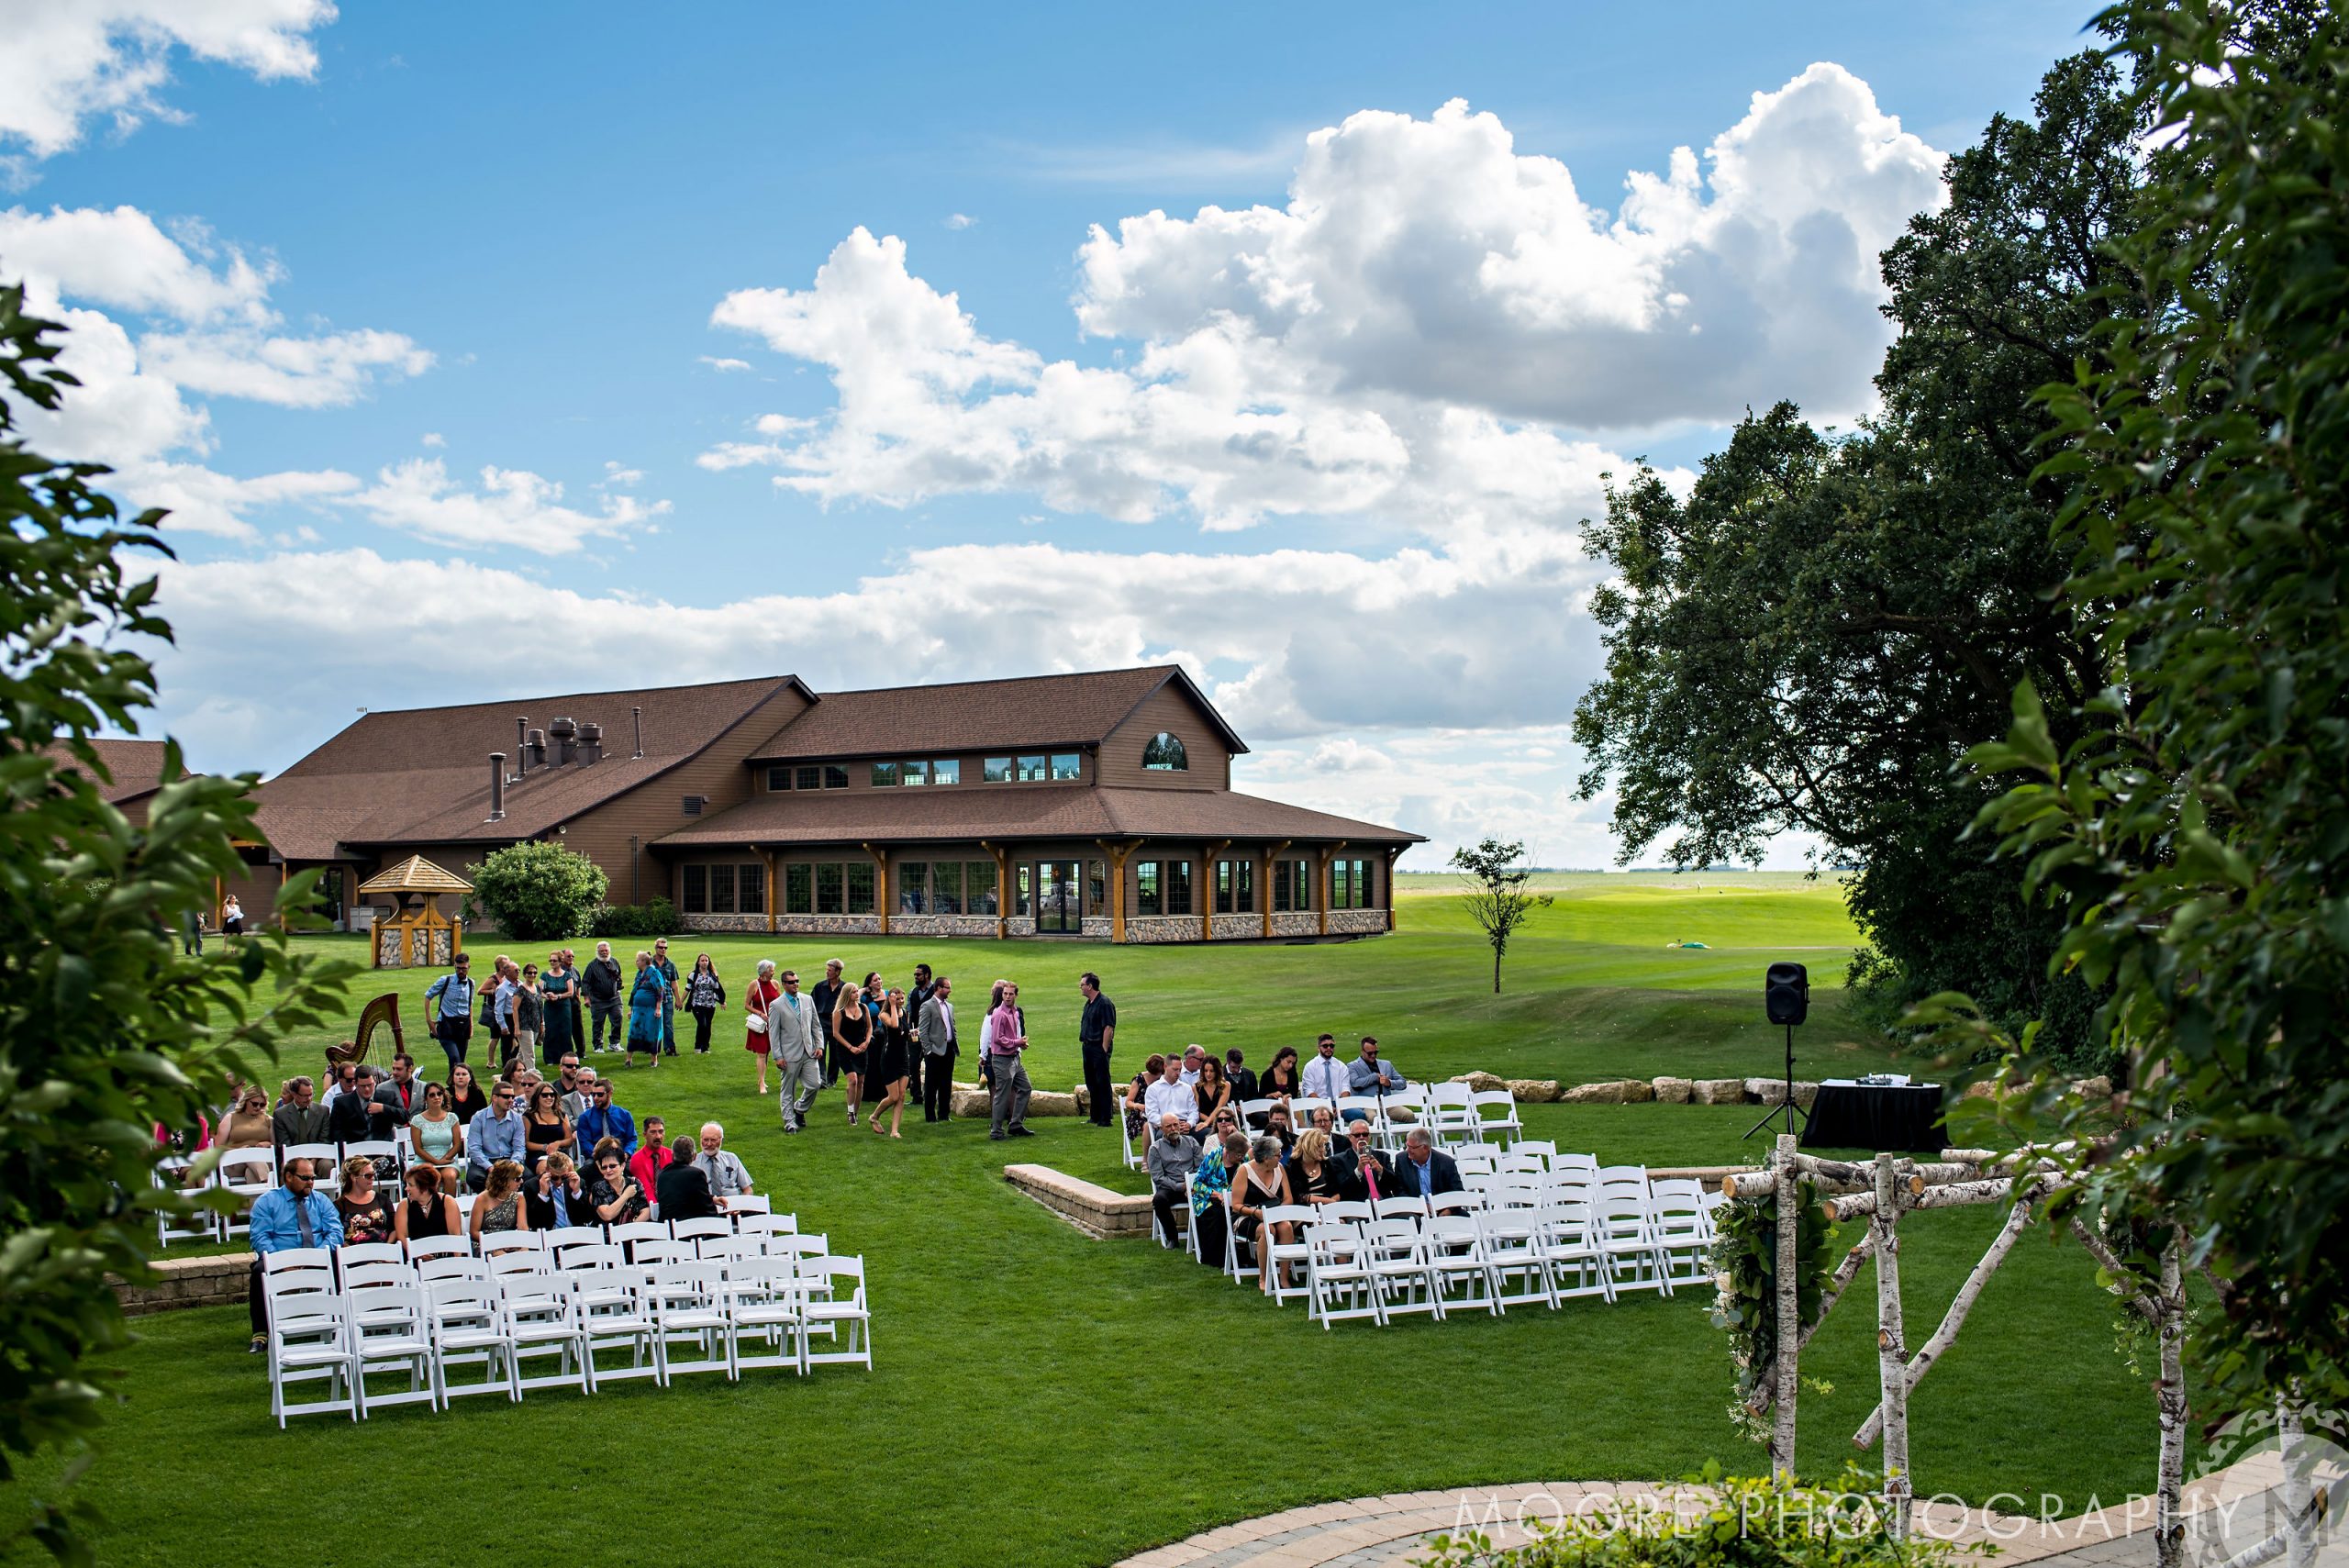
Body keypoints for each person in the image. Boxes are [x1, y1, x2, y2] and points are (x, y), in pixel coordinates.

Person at [246, 1157, 342, 1351]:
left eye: (313, 1178)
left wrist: (317, 1255)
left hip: (317, 1254)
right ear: (288, 1177)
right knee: (259, 1271)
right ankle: (260, 1333)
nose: (311, 1183)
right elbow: (260, 1237)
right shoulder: (267, 1202)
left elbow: (335, 1232)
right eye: (305, 1178)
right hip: (281, 1257)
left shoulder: (321, 1200)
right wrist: (280, 1262)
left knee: (338, 1262)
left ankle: (339, 1322)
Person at [1230, 1136, 1297, 1294]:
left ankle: (1283, 1277)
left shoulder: (1279, 1168)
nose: (1281, 1157)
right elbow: (1236, 1205)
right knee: (1268, 1230)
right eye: (1278, 1155)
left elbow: (1288, 1197)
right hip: (1248, 1216)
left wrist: (1279, 1211)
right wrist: (1256, 1213)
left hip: (1275, 1212)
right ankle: (1264, 1277)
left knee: (1286, 1227)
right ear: (1266, 1158)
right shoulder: (1244, 1171)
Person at [767, 967, 823, 1132]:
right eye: (791, 982)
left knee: (815, 1084)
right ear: (784, 984)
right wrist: (778, 1056)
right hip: (789, 1054)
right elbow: (773, 1033)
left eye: (797, 981)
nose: (795, 985)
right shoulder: (776, 1005)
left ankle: (799, 1109)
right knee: (788, 1090)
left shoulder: (807, 1000)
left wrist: (819, 1045)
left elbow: (816, 1025)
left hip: (809, 1052)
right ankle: (789, 1122)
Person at [1189, 1133, 1247, 1272]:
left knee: (1238, 1215)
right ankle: (1216, 1258)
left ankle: (1239, 1256)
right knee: (1219, 1215)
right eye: (1238, 1155)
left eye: (1242, 1155)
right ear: (1228, 1151)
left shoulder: (1244, 1161)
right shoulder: (1214, 1157)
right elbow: (1197, 1184)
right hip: (1207, 1199)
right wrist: (1217, 1195)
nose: (1241, 1158)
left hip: (1233, 1200)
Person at [986, 980, 1031, 1140]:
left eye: (1011, 994)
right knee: (1002, 1095)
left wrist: (1020, 1045)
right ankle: (996, 1131)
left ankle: (1016, 1124)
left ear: (1016, 995)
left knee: (1026, 1087)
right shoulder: (1000, 1014)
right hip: (1002, 1060)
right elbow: (998, 1038)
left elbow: (1011, 1036)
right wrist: (1017, 1042)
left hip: (1014, 1058)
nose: (1007, 997)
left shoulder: (1015, 1012)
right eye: (1005, 994)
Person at [1144, 1114, 1198, 1247]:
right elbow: (1158, 1177)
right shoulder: (1155, 1149)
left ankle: (1202, 1237)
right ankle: (1172, 1238)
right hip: (1170, 1187)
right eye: (1169, 1126)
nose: (1173, 1129)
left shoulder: (1191, 1142)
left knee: (1210, 1196)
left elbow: (1201, 1168)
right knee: (1159, 1200)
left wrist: (1191, 1184)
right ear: (1162, 1129)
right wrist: (1180, 1186)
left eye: (1175, 1125)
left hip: (1193, 1186)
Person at [465, 1081, 527, 1192]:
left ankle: (511, 1205)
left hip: (509, 1160)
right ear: (494, 1098)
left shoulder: (517, 1119)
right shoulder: (478, 1118)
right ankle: (491, 1204)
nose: (511, 1100)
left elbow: (519, 1148)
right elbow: (474, 1149)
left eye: (512, 1096)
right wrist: (490, 1167)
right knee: (474, 1178)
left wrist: (512, 1166)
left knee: (528, 1177)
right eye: (506, 1096)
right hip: (486, 1161)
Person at [867, 987, 910, 1138]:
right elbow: (894, 1025)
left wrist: (912, 1033)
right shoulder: (884, 1014)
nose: (900, 1001)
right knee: (893, 1096)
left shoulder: (904, 1012)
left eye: (902, 999)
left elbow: (903, 1031)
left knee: (902, 1095)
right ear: (891, 999)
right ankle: (874, 1116)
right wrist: (892, 1005)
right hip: (889, 1057)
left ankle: (894, 1130)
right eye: (897, 999)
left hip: (903, 1057)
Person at [832, 977, 874, 1128]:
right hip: (845, 1050)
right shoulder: (839, 1012)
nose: (857, 994)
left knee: (861, 1082)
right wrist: (850, 1047)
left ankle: (855, 1112)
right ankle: (850, 1112)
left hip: (862, 1048)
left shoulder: (863, 1008)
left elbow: (869, 1027)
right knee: (853, 1080)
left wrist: (867, 1042)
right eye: (854, 992)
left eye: (857, 991)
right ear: (847, 994)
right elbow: (836, 1033)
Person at [409, 1081, 465, 1193]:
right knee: (432, 1178)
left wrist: (446, 1158)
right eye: (432, 1095)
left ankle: (448, 1208)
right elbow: (418, 1149)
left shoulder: (452, 1118)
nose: (436, 1097)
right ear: (426, 1099)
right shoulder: (417, 1120)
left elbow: (457, 1144)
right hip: (423, 1160)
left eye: (439, 1094)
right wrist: (436, 1161)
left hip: (447, 1159)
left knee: (449, 1176)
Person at [1078, 971, 1118, 1129]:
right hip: (1087, 1046)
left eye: (1082, 985)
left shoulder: (1104, 1003)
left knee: (1102, 1082)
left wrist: (1103, 1049)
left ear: (1090, 986)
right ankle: (1095, 1115)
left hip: (1098, 1047)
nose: (1080, 987)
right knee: (1091, 1082)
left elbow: (1109, 1027)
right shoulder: (1089, 1004)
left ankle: (1106, 1117)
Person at [423, 953, 476, 1070]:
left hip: (463, 1027)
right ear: (454, 966)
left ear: (469, 967)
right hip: (447, 1026)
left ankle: (454, 1085)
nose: (461, 971)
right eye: (458, 968)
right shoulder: (445, 980)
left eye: (464, 968)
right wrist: (429, 1021)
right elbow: (428, 996)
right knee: (454, 1058)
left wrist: (471, 1027)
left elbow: (469, 1005)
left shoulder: (471, 983)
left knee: (461, 1062)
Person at [917, 974, 957, 1123]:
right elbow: (923, 1030)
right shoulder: (928, 1006)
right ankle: (930, 1116)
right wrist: (928, 1050)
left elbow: (952, 1026)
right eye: (947, 988)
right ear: (939, 988)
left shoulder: (950, 1006)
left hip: (948, 1050)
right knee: (931, 1085)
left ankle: (944, 1114)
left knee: (946, 1083)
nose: (949, 991)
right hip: (934, 1051)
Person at [394, 1162, 461, 1246]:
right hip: (414, 1254)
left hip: (445, 1253)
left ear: (424, 1187)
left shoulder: (447, 1201)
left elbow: (455, 1236)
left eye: (411, 1185)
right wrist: (417, 1252)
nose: (406, 1189)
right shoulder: (404, 1205)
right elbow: (402, 1237)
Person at [654, 1134, 717, 1222]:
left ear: (672, 1155)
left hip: (667, 1230)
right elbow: (708, 1208)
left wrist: (713, 1199)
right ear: (694, 1156)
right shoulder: (696, 1174)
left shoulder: (663, 1174)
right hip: (690, 1229)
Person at [334, 1155, 395, 1246]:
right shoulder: (339, 1205)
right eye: (368, 1176)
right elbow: (337, 1235)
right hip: (354, 1255)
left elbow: (394, 1229)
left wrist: (388, 1248)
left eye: (374, 1174)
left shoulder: (383, 1199)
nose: (373, 1178)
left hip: (385, 1253)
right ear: (354, 1177)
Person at [744, 959, 783, 1095]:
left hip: (774, 1023)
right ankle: (761, 1082)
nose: (773, 972)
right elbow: (747, 1005)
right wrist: (760, 1013)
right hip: (761, 1025)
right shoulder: (754, 985)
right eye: (771, 970)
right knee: (761, 1053)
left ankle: (762, 1079)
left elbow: (780, 1000)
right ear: (764, 971)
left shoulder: (775, 983)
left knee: (769, 1052)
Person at [1388, 1128, 1462, 1199]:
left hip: (1444, 1207)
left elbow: (1458, 1192)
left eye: (1412, 1147)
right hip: (1413, 1208)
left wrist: (1447, 1210)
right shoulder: (1402, 1160)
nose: (1408, 1150)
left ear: (1425, 1148)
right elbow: (1398, 1190)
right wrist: (1420, 1206)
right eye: (1407, 1146)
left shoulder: (1446, 1163)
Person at [586, 1141, 650, 1225]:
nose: (608, 1170)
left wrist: (630, 1230)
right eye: (604, 1167)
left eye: (612, 1166)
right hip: (606, 1235)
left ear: (622, 1166)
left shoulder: (634, 1182)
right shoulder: (598, 1188)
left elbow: (646, 1211)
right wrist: (626, 1195)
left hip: (633, 1233)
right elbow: (607, 1215)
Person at [527, 1151, 592, 1229]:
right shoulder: (532, 1185)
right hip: (548, 1235)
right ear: (547, 1170)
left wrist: (576, 1192)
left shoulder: (578, 1182)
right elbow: (532, 1222)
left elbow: (587, 1218)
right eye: (555, 1177)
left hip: (574, 1233)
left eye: (564, 1177)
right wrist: (543, 1195)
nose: (559, 1181)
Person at [625, 950, 668, 1068]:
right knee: (633, 1032)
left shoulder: (654, 973)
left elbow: (660, 990)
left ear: (644, 961)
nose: (636, 962)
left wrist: (658, 1008)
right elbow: (634, 992)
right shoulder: (639, 974)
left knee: (651, 1032)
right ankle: (628, 1059)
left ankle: (654, 1060)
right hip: (638, 1009)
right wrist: (631, 1009)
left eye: (637, 960)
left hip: (651, 1009)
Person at [573, 1077, 636, 1155]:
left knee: (634, 1167)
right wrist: (597, 1156)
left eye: (600, 1094)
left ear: (610, 1094)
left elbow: (632, 1139)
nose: (595, 1098)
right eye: (593, 1094)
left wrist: (626, 1153)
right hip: (595, 1157)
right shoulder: (585, 1118)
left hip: (621, 1155)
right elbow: (585, 1142)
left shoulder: (624, 1115)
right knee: (587, 1166)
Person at [582, 941, 625, 1054]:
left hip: (614, 998)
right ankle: (598, 1045)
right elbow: (585, 982)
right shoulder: (592, 966)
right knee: (598, 1023)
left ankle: (615, 1043)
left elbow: (619, 976)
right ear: (598, 952)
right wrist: (586, 998)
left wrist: (619, 988)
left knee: (618, 1018)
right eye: (602, 951)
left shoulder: (614, 962)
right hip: (598, 999)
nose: (604, 953)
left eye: (606, 951)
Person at [470, 1159, 529, 1239]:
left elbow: (523, 1228)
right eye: (517, 1179)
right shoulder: (482, 1199)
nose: (521, 1181)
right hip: (487, 1242)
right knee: (500, 1252)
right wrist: (497, 1244)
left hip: (511, 1240)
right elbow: (474, 1232)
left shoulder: (519, 1198)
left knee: (524, 1249)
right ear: (504, 1180)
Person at [1290, 1129, 1348, 1211]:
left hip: (1328, 1208)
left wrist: (1331, 1204)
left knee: (1350, 1220)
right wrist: (1328, 1201)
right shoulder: (1293, 1167)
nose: (1323, 1150)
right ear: (1308, 1147)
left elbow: (1338, 1190)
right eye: (1319, 1146)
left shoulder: (1327, 1164)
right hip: (1305, 1210)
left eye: (1324, 1145)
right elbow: (1299, 1196)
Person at [695, 1122, 754, 1201]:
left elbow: (747, 1189)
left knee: (764, 1209)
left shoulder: (732, 1159)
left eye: (713, 1140)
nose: (709, 1144)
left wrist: (741, 1205)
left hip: (733, 1206)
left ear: (721, 1140)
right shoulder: (693, 1162)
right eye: (705, 1140)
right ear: (700, 1139)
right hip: (706, 1207)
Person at [522, 1082, 573, 1169]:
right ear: (537, 1097)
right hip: (537, 1154)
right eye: (545, 1095)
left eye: (552, 1095)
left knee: (569, 1166)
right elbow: (526, 1143)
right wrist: (545, 1147)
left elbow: (569, 1139)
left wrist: (558, 1143)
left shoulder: (562, 1115)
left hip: (559, 1152)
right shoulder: (528, 1117)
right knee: (546, 1167)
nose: (549, 1098)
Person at [810, 959, 845, 1087]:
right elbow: (812, 1005)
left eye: (830, 970)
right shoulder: (819, 986)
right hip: (821, 1024)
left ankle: (832, 1080)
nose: (827, 972)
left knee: (836, 1055)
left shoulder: (844, 988)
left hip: (838, 1025)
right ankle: (822, 1079)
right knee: (820, 1052)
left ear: (838, 972)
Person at [628, 1116, 674, 1210]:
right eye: (653, 1132)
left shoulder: (672, 1155)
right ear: (645, 1134)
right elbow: (646, 1190)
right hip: (650, 1208)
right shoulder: (637, 1159)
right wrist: (657, 1210)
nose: (658, 1136)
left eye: (661, 1132)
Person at [906, 962, 936, 1108]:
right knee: (913, 1065)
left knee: (932, 1065)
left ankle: (931, 1095)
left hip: (931, 1035)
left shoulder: (936, 991)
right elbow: (909, 1013)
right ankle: (916, 1095)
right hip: (915, 1035)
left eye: (918, 974)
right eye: (915, 975)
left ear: (927, 975)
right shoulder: (913, 992)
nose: (916, 977)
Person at [540, 949, 579, 1063]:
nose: (552, 963)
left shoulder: (567, 975)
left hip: (563, 1006)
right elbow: (539, 990)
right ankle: (550, 1058)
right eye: (550, 961)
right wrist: (546, 996)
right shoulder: (545, 975)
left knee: (565, 1031)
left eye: (554, 960)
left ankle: (566, 1058)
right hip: (550, 1007)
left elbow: (571, 992)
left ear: (560, 962)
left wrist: (558, 996)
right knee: (551, 1031)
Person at [270, 1075, 329, 1148]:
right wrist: (299, 1159)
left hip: (319, 1156)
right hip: (292, 1156)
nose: (309, 1099)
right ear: (294, 1094)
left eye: (311, 1095)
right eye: (304, 1096)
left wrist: (314, 1159)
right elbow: (284, 1144)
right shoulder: (281, 1114)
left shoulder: (323, 1111)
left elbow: (324, 1140)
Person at [684, 952, 725, 1053]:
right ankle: (698, 1046)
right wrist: (681, 1001)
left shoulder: (713, 975)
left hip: (710, 1004)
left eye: (706, 960)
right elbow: (687, 989)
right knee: (702, 1024)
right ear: (698, 962)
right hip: (697, 1004)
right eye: (702, 960)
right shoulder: (693, 975)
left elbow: (717, 989)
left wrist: (722, 1001)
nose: (704, 962)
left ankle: (705, 1047)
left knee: (708, 1025)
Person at [1143, 1052, 1196, 1132]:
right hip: (1165, 1127)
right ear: (1165, 1067)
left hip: (1185, 1126)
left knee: (1208, 1133)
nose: (1178, 1073)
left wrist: (1189, 1124)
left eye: (1180, 1070)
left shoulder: (1187, 1088)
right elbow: (1152, 1115)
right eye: (1175, 1069)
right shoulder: (1153, 1089)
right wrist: (1171, 1125)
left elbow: (1193, 1111)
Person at [1346, 1037, 1406, 1105]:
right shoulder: (1353, 1066)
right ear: (1362, 1051)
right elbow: (1355, 1084)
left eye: (1375, 1052)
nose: (1373, 1055)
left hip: (1387, 1105)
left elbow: (1403, 1083)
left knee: (1408, 1114)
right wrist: (1373, 1077)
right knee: (1372, 1116)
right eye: (1370, 1053)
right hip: (1366, 1105)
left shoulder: (1386, 1064)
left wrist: (1389, 1083)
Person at [218, 1085, 273, 1151]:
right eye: (255, 1104)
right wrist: (238, 1151)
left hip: (262, 1157)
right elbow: (218, 1146)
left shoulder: (269, 1120)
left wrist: (269, 1144)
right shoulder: (230, 1118)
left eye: (262, 1105)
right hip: (235, 1157)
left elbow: (277, 1146)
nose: (258, 1107)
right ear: (246, 1101)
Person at [1122, 1054, 1163, 1140]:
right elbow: (1128, 1102)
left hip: (1157, 1112)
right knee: (1149, 1126)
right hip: (1139, 1116)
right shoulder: (1139, 1080)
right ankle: (1148, 1152)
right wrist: (1137, 1106)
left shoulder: (1162, 1080)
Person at [651, 939, 681, 1056]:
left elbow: (674, 983)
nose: (663, 950)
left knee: (668, 1024)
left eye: (665, 948)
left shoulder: (670, 965)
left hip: (667, 998)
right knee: (654, 1024)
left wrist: (678, 999)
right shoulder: (650, 964)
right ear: (656, 948)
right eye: (661, 947)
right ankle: (654, 1048)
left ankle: (670, 1048)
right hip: (653, 999)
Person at [1300, 1034, 1349, 1104]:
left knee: (1358, 1114)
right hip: (1317, 1103)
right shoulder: (1310, 1066)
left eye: (1331, 1046)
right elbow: (1309, 1091)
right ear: (1318, 1048)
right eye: (1325, 1046)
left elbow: (1346, 1088)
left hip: (1339, 1103)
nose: (1329, 1048)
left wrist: (1342, 1106)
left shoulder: (1341, 1066)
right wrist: (1326, 1106)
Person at [513, 961, 544, 1066]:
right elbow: (515, 1008)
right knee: (530, 1054)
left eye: (535, 973)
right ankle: (533, 1076)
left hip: (535, 1024)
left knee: (522, 1055)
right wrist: (516, 1027)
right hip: (524, 1025)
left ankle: (510, 1073)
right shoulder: (520, 990)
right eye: (530, 973)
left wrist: (542, 1023)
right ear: (524, 974)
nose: (532, 975)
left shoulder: (537, 988)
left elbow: (540, 1006)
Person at [377, 1052, 423, 1120]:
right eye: (393, 1069)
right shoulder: (382, 1088)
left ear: (410, 1068)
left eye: (399, 1069)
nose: (394, 1072)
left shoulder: (423, 1087)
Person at [1192, 1057, 1232, 1129]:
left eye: (1212, 1071)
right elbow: (1198, 1111)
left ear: (1217, 1071)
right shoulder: (1196, 1087)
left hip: (1223, 1120)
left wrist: (1208, 1122)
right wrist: (1208, 1122)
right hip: (1204, 1121)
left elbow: (1220, 1106)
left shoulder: (1225, 1086)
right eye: (1205, 1071)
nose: (1208, 1074)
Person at [1258, 1045, 1304, 1110]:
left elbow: (1294, 1092)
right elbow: (1261, 1096)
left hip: (1289, 1106)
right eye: (1288, 1062)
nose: (1290, 1066)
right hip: (1271, 1108)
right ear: (1281, 1059)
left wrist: (1289, 1095)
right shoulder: (1267, 1075)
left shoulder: (1292, 1074)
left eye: (1293, 1063)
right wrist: (1271, 1095)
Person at [445, 1061, 488, 1125]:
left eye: (464, 1074)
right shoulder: (446, 1093)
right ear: (453, 1077)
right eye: (457, 1074)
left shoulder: (477, 1092)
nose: (460, 1077)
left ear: (470, 1077)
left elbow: (484, 1113)